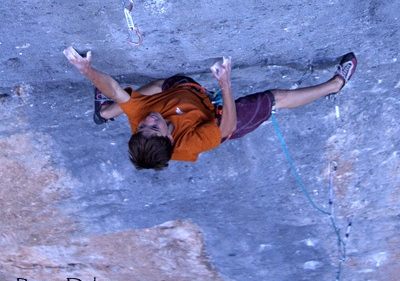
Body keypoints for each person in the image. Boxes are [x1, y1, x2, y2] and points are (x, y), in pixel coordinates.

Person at [63, 47, 357, 170]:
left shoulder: (142, 120)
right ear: (169, 137)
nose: (149, 120)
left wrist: (86, 70)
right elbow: (226, 128)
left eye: (143, 126)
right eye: (155, 127)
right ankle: (334, 85)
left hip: (185, 91)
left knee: (152, 89)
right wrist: (226, 84)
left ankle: (105, 113)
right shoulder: (196, 141)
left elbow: (114, 89)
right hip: (219, 120)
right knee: (274, 99)